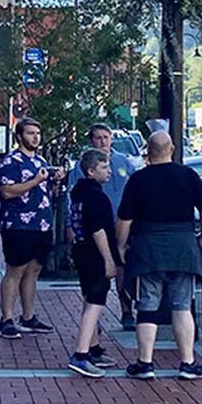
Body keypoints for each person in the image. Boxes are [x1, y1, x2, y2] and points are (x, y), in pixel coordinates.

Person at [114, 131, 202, 381]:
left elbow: (124, 219)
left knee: (147, 305)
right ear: (172, 148)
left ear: (147, 150)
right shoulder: (187, 175)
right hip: (183, 247)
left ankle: (145, 363)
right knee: (182, 306)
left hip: (148, 247)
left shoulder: (138, 180)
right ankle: (187, 363)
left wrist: (120, 247)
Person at [0, 117, 61, 339]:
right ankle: (7, 319)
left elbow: (44, 193)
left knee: (33, 270)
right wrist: (35, 181)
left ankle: (28, 316)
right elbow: (7, 191)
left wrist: (54, 181)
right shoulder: (11, 162)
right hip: (18, 225)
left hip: (41, 225)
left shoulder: (41, 161)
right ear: (20, 136)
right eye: (31, 133)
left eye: (37, 133)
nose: (35, 137)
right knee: (15, 270)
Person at [67, 123, 136, 324]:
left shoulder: (123, 161)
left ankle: (126, 310)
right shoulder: (83, 167)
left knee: (122, 268)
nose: (103, 141)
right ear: (91, 140)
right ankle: (91, 318)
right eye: (98, 137)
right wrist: (70, 226)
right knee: (95, 277)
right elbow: (72, 200)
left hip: (122, 223)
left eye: (106, 137)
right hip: (95, 227)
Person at [65, 148, 119, 377]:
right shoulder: (95, 197)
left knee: (89, 299)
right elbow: (98, 230)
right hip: (93, 254)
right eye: (104, 167)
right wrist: (109, 260)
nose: (109, 171)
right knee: (95, 301)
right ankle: (81, 353)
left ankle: (93, 349)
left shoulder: (78, 193)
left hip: (81, 251)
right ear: (90, 171)